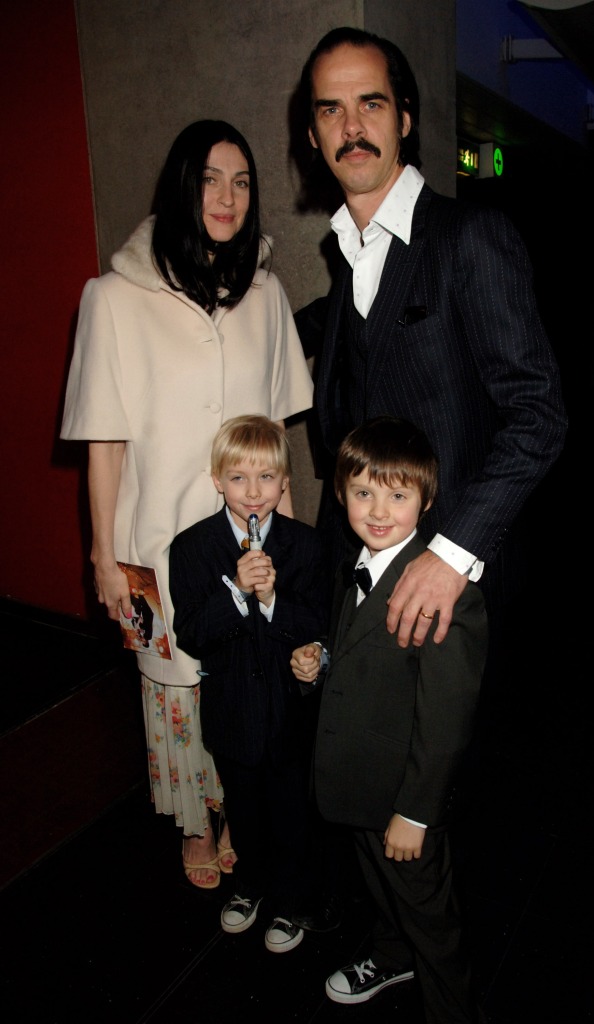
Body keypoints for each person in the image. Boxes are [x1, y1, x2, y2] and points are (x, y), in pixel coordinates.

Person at [60, 120, 314, 890]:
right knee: (173, 689)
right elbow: (103, 441)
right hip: (158, 540)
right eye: (209, 178)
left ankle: (240, 806)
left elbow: (275, 437)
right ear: (180, 186)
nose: (226, 196)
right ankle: (194, 820)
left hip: (254, 545)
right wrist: (105, 557)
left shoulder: (266, 296)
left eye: (240, 182)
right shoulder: (113, 298)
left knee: (249, 677)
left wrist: (295, 550)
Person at [296, 26, 568, 648]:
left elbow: (539, 415)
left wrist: (452, 553)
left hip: (452, 594)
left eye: (371, 102)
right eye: (331, 109)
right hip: (364, 584)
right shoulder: (349, 259)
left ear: (405, 119)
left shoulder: (470, 236)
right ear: (313, 137)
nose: (352, 125)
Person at [291, 416, 488, 1021]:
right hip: (358, 778)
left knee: (430, 917)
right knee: (381, 891)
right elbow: (359, 655)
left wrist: (416, 811)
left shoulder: (441, 593)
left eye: (397, 495)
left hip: (404, 796)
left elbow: (446, 720)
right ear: (340, 492)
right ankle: (390, 954)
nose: (378, 511)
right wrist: (321, 661)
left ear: (426, 501)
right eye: (362, 492)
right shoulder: (357, 560)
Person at [169, 415, 328, 952]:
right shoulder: (192, 548)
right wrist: (236, 594)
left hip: (290, 713)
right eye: (238, 478)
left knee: (291, 813)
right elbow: (191, 633)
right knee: (245, 808)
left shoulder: (306, 546)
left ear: (285, 481)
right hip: (231, 710)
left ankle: (292, 900)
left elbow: (316, 624)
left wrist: (273, 601)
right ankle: (251, 887)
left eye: (266, 478)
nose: (253, 492)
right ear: (217, 480)